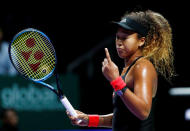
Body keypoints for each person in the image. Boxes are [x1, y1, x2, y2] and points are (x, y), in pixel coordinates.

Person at [66, 10, 175, 131]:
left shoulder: (142, 67)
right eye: (118, 37)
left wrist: (116, 80)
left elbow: (143, 112)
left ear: (141, 41)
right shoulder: (128, 69)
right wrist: (88, 120)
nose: (119, 43)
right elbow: (123, 117)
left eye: (125, 38)